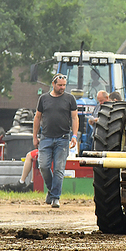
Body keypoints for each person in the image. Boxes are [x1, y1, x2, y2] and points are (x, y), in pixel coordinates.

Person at [33, 73, 79, 208]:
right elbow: (37, 117)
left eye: (64, 85)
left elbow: (75, 118)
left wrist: (74, 136)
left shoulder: (70, 99)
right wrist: (35, 136)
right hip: (46, 138)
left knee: (59, 169)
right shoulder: (44, 99)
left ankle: (55, 198)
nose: (62, 87)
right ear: (53, 84)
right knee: (44, 166)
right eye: (60, 85)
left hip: (63, 138)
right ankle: (52, 190)